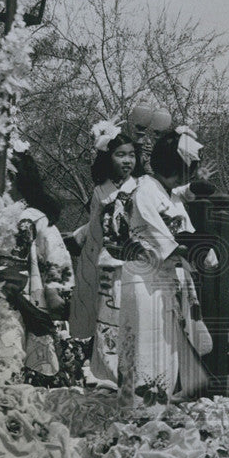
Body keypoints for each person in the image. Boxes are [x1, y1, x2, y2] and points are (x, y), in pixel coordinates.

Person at [0, 151, 74, 384]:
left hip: (15, 304)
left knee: (7, 367)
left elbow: (56, 257)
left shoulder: (33, 218)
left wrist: (55, 293)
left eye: (6, 176)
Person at [118, 129, 212, 403]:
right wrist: (199, 249)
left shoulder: (166, 193)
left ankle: (159, 408)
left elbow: (184, 230)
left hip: (165, 280)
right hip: (146, 279)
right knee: (146, 347)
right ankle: (141, 413)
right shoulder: (145, 192)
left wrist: (202, 248)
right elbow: (167, 242)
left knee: (166, 348)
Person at [68, 121, 141, 389]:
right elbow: (96, 233)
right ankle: (109, 378)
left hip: (138, 263)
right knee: (109, 319)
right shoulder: (101, 192)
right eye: (120, 154)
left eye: (131, 154)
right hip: (109, 266)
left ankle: (136, 377)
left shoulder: (143, 186)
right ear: (106, 158)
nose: (127, 160)